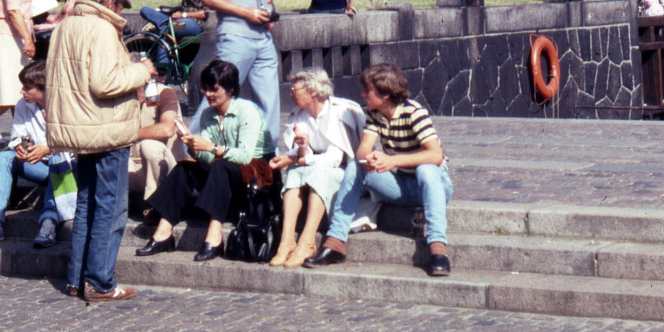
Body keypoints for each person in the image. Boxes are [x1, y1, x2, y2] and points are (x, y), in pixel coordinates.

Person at [46, 0, 156, 302]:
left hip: (81, 128)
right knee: (112, 206)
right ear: (110, 4)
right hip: (106, 128)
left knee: (86, 205)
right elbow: (105, 83)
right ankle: (100, 282)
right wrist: (142, 70)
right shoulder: (103, 29)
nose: (119, 13)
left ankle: (76, 279)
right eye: (120, 7)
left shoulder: (65, 27)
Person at [304, 63, 453, 276]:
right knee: (357, 167)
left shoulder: (414, 112)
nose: (362, 94)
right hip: (401, 186)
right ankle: (335, 242)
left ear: (385, 94)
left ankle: (438, 249)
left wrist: (393, 161)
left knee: (426, 169)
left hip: (434, 186)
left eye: (367, 91)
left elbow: (435, 155)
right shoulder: (375, 113)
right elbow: (363, 149)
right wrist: (370, 157)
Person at [136, 60, 270, 262]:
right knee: (184, 169)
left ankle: (214, 236)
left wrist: (211, 147)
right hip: (222, 173)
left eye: (214, 89)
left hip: (252, 175)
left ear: (230, 89)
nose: (208, 94)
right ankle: (163, 231)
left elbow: (245, 156)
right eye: (205, 88)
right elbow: (207, 158)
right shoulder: (208, 114)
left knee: (222, 166)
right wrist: (194, 147)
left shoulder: (246, 110)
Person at [195, 0, 280, 151]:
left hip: (263, 38)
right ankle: (193, 148)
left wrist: (269, 10)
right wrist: (246, 12)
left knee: (270, 101)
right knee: (217, 94)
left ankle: (267, 157)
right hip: (235, 37)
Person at [267, 68, 363, 267]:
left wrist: (300, 160)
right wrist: (299, 150)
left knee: (319, 173)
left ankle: (308, 241)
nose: (291, 94)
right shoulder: (300, 115)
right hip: (319, 165)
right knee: (294, 173)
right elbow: (305, 154)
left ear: (313, 92)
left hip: (346, 170)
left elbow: (335, 158)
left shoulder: (337, 112)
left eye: (295, 90)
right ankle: (286, 241)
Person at [0, 61, 71, 248]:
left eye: (28, 88)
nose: (22, 92)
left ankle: (49, 220)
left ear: (45, 88)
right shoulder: (22, 105)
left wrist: (49, 148)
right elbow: (16, 135)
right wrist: (19, 146)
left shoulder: (65, 105)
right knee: (4, 157)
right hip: (38, 165)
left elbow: (76, 144)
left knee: (58, 160)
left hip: (65, 169)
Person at [127, 55, 184, 218]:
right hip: (134, 166)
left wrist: (126, 134)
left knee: (149, 146)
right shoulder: (123, 97)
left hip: (165, 164)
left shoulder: (164, 92)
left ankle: (154, 206)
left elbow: (166, 129)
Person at [139, 0, 207, 66]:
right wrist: (167, 9)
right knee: (145, 10)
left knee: (168, 30)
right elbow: (183, 8)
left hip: (195, 24)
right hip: (179, 20)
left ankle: (164, 69)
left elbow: (205, 13)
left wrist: (184, 15)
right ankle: (165, 25)